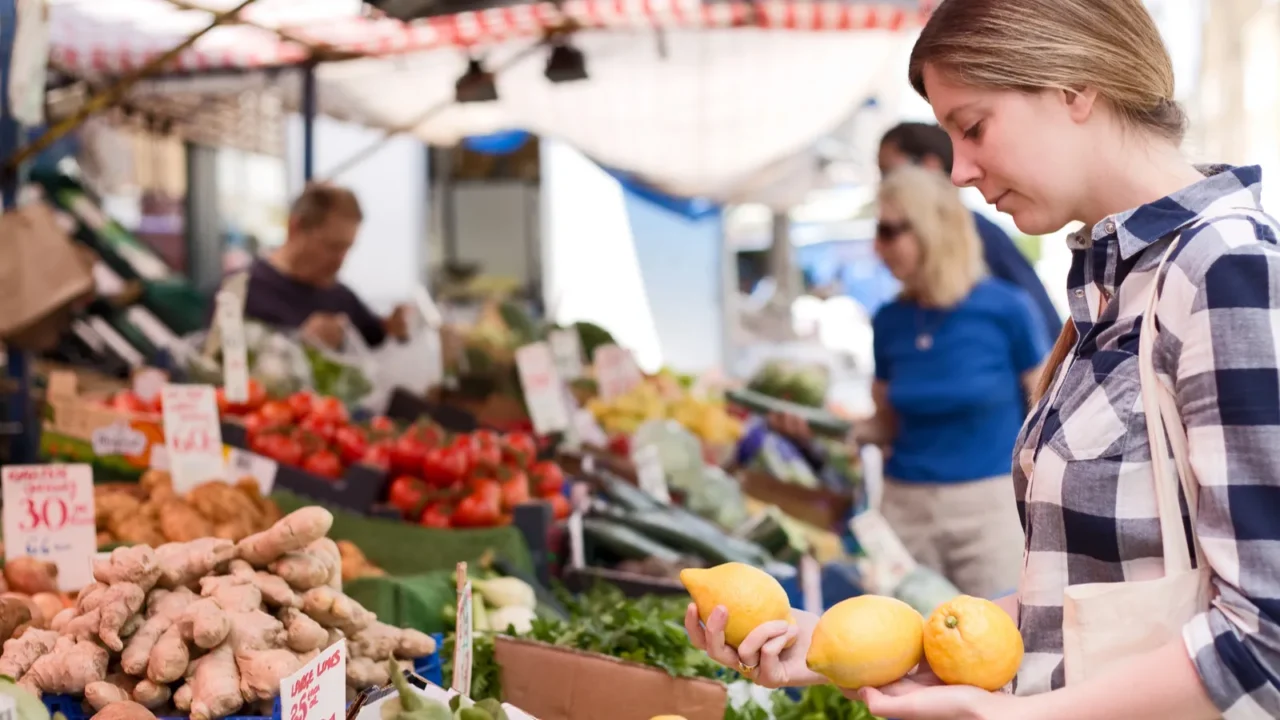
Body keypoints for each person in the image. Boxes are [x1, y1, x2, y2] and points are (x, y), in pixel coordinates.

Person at [687, 1, 1280, 719]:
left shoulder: (1226, 268)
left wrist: (1014, 715)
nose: (960, 171)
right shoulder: (1122, 285)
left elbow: (1265, 637)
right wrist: (829, 647)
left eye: (973, 127)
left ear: (1074, 87)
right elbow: (1074, 605)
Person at [771, 164, 1046, 598]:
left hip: (989, 512)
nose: (878, 246)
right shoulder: (889, 321)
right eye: (877, 231)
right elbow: (886, 425)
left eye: (891, 230)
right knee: (897, 648)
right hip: (904, 512)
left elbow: (1045, 411)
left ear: (934, 229)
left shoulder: (1006, 308)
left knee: (998, 647)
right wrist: (821, 429)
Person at [880, 121, 1063, 347]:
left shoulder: (979, 232)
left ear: (931, 166)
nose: (885, 184)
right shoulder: (896, 319)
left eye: (890, 171)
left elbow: (1042, 316)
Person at [222, 183, 411, 350]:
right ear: (295, 228)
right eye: (332, 246)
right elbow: (212, 365)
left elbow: (376, 335)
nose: (340, 260)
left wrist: (395, 326)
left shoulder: (341, 297)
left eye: (347, 248)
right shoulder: (242, 290)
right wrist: (300, 343)